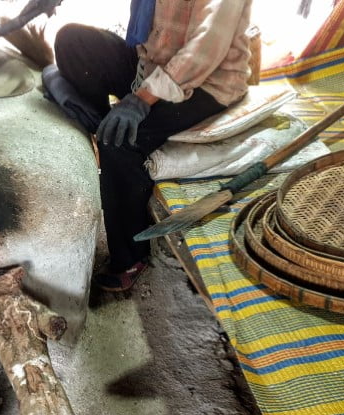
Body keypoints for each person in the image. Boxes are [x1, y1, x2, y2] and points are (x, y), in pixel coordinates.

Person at [37, 0, 253, 292]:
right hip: (152, 63)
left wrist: (141, 99)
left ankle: (130, 257)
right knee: (73, 41)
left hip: (206, 80)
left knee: (120, 142)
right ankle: (106, 135)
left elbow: (205, 49)